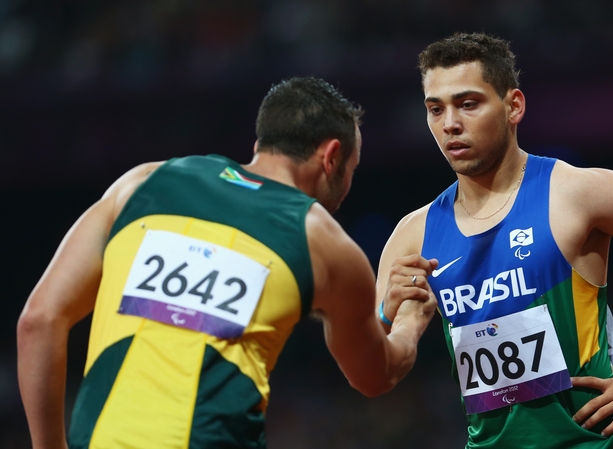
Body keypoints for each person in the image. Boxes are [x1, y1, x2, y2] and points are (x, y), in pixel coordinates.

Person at [17, 76, 437, 449]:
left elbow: (39, 320)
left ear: (260, 145)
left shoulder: (141, 183)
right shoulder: (325, 242)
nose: (347, 188)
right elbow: (373, 375)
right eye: (351, 169)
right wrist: (409, 322)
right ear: (331, 156)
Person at [376, 32, 613, 448]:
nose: (450, 123)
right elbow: (376, 374)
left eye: (468, 103)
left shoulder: (578, 193)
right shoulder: (413, 234)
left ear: (514, 106)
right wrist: (385, 315)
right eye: (435, 109)